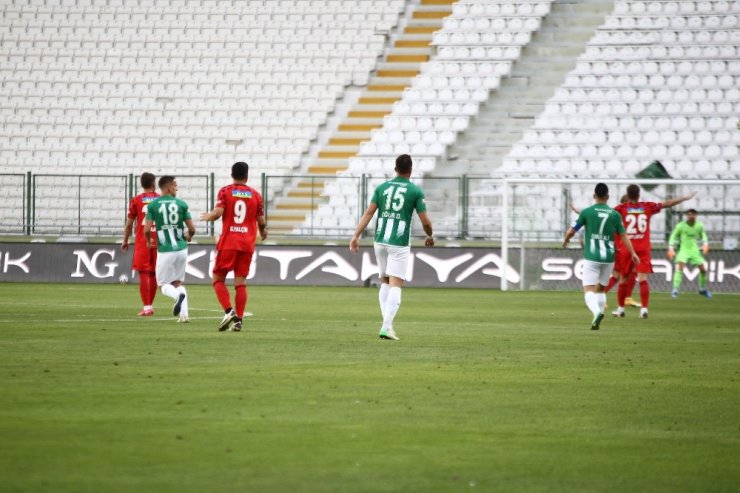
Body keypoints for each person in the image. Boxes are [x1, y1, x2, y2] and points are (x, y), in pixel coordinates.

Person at [349, 154, 434, 341]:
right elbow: (425, 221)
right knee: (396, 284)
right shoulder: (415, 191)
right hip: (399, 243)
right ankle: (386, 327)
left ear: (395, 168)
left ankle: (387, 326)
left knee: (385, 282)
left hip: (379, 241)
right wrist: (429, 235)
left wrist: (355, 235)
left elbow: (369, 213)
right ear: (410, 171)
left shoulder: (382, 188)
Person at [563, 183, 640, 330]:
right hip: (609, 259)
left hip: (592, 257)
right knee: (600, 289)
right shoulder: (615, 215)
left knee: (588, 290)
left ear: (594, 196)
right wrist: (633, 253)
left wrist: (566, 240)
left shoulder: (587, 212)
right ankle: (598, 318)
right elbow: (624, 236)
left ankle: (597, 312)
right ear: (608, 197)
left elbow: (571, 231)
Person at [200, 162, 267, 332]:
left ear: (232, 174)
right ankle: (239, 321)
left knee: (217, 279)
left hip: (229, 242)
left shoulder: (226, 191)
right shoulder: (255, 195)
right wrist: (263, 232)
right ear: (247, 176)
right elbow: (261, 221)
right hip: (247, 244)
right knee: (240, 282)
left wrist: (209, 216)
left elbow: (218, 213)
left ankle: (229, 311)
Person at [612, 184, 696, 319]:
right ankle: (644, 309)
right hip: (643, 248)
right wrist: (685, 198)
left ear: (627, 196)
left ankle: (621, 309)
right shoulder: (647, 207)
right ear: (639, 195)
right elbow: (668, 203)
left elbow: (605, 214)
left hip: (628, 248)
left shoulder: (621, 208)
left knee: (624, 278)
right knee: (643, 279)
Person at [144, 176, 196, 323]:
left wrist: (149, 241)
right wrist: (188, 237)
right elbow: (192, 228)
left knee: (162, 285)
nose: (176, 188)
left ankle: (176, 297)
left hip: (165, 250)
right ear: (167, 188)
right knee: (177, 283)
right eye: (174, 186)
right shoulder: (181, 204)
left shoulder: (153, 205)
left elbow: (146, 230)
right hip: (181, 249)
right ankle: (184, 315)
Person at [570, 197, 639, 307]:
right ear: (626, 202)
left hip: (617, 247)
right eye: (629, 202)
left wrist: (577, 210)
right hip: (618, 248)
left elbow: (594, 213)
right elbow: (596, 213)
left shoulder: (618, 212)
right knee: (620, 274)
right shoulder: (618, 212)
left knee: (619, 274)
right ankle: (617, 298)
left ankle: (624, 297)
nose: (631, 203)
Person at [121, 172, 159, 316]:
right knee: (154, 273)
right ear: (153, 183)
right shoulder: (161, 199)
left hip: (143, 241)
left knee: (144, 273)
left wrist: (125, 241)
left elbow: (129, 225)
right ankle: (150, 305)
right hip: (159, 241)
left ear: (142, 184)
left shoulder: (136, 200)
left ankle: (147, 306)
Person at [668, 208, 712, 298]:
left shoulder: (699, 226)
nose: (691, 216)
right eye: (689, 214)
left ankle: (702, 289)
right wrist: (671, 248)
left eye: (693, 214)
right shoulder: (681, 226)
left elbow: (703, 235)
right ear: (687, 216)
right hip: (683, 250)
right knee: (680, 269)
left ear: (696, 216)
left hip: (694, 250)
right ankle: (675, 290)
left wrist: (706, 244)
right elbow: (673, 236)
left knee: (703, 270)